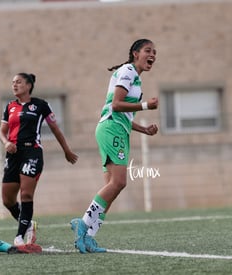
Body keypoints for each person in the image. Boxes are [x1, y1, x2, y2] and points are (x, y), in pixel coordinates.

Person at [70, 38, 158, 253]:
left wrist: (144, 129)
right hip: (112, 129)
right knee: (119, 183)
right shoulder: (128, 71)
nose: (153, 55)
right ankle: (82, 223)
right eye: (148, 50)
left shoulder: (135, 78)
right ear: (135, 53)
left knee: (112, 187)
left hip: (117, 129)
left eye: (155, 52)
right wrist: (146, 106)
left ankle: (88, 237)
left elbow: (124, 113)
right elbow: (116, 105)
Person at [0, 72, 78, 246]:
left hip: (32, 152)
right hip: (12, 155)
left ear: (28, 86)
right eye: (13, 82)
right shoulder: (10, 106)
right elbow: (2, 132)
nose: (14, 85)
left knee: (26, 193)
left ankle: (19, 236)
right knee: (7, 200)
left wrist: (66, 150)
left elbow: (56, 129)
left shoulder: (41, 105)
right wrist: (6, 143)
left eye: (18, 82)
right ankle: (28, 225)